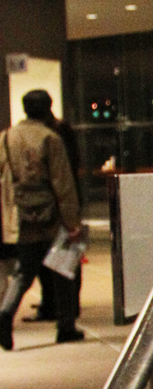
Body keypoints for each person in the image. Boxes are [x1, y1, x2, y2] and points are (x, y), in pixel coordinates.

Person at [0, 90, 84, 348]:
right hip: (51, 216)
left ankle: (5, 312)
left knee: (23, 272)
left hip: (21, 215)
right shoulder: (50, 138)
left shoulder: (7, 137)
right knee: (63, 269)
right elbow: (62, 183)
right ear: (48, 108)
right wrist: (72, 222)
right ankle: (65, 327)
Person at [29, 95, 83, 323]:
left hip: (54, 202)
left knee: (60, 257)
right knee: (64, 258)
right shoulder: (60, 130)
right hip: (62, 200)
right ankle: (64, 307)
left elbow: (62, 174)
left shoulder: (52, 134)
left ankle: (58, 307)